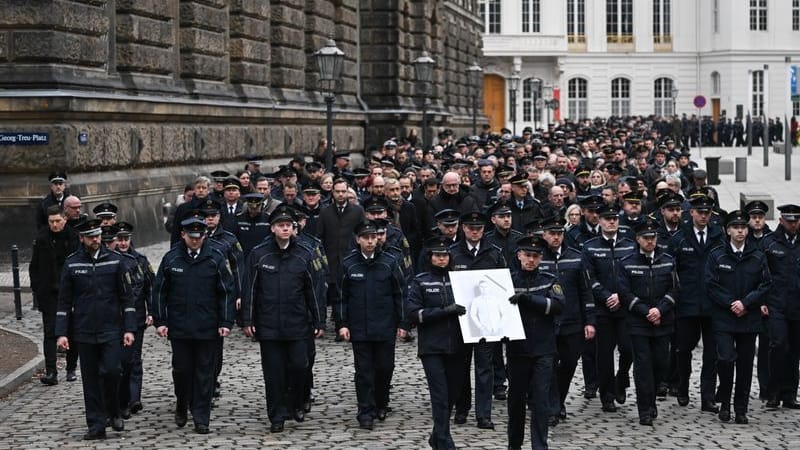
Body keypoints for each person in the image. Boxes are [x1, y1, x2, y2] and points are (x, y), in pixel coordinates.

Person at [241, 206, 325, 433]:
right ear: (272, 229)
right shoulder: (259, 255)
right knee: (274, 374)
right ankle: (276, 415)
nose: (285, 228)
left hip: (297, 323)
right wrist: (247, 321)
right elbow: (250, 289)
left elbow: (313, 291)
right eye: (281, 225)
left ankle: (296, 401)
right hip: (269, 324)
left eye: (289, 225)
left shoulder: (304, 254)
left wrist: (319, 322)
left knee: (300, 366)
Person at [152, 217, 236, 434]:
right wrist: (160, 321)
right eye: (191, 236)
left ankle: (201, 417)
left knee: (204, 373)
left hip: (207, 326)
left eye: (199, 237)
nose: (195, 240)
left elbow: (226, 291)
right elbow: (159, 291)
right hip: (179, 326)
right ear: (183, 235)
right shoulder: (171, 259)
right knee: (182, 370)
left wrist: (226, 321)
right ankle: (182, 401)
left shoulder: (215, 258)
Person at [55, 218, 136, 440]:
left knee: (112, 371)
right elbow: (64, 301)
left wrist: (129, 329)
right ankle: (96, 424)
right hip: (84, 330)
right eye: (91, 236)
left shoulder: (115, 261)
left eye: (98, 236)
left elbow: (126, 297)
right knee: (90, 380)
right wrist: (61, 333)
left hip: (111, 328)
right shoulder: (72, 263)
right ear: (82, 238)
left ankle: (113, 410)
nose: (96, 240)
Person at [336, 220, 407, 429]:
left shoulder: (390, 262)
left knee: (385, 367)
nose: (370, 241)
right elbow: (341, 296)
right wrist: (342, 323)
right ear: (358, 240)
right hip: (360, 327)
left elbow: (400, 293)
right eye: (366, 237)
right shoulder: (349, 263)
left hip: (385, 325)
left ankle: (381, 402)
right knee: (364, 371)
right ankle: (365, 410)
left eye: (373, 237)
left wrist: (403, 322)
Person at [706, 211, 772, 424]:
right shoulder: (717, 254)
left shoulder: (757, 255)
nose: (740, 230)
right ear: (728, 231)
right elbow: (710, 284)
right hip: (724, 317)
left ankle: (741, 408)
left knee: (744, 364)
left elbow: (765, 284)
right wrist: (730, 303)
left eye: (743, 227)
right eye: (735, 227)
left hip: (748, 317)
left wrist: (746, 302)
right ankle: (724, 402)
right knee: (725, 359)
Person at [406, 236, 468, 450]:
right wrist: (443, 312)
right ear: (430, 257)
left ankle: (437, 434)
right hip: (432, 346)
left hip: (458, 345)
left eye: (445, 255)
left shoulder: (459, 279)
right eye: (438, 255)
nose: (442, 259)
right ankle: (444, 439)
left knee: (452, 393)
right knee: (439, 393)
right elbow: (414, 313)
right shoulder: (421, 281)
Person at [618, 219, 679, 426]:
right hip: (638, 323)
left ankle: (652, 399)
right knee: (643, 366)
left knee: (661, 363)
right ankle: (645, 408)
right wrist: (646, 312)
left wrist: (660, 309)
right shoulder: (627, 262)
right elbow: (625, 293)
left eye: (653, 238)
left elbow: (674, 289)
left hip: (663, 321)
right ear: (638, 239)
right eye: (646, 238)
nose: (650, 241)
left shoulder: (668, 260)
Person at [668, 194, 725, 413]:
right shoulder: (680, 238)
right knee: (683, 350)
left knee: (713, 353)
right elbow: (671, 271)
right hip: (687, 303)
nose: (703, 216)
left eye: (707, 213)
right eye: (699, 212)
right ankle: (682, 385)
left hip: (712, 305)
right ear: (690, 213)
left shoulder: (718, 236)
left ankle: (707, 397)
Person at [450, 211, 507, 430]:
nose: (475, 232)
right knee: (460, 367)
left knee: (485, 368)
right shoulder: (453, 253)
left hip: (486, 322)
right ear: (463, 228)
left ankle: (484, 414)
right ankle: (462, 408)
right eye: (471, 228)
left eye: (479, 228)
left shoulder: (494, 253)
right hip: (461, 320)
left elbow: (503, 284)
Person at [507, 235, 564, 450]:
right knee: (516, 401)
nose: (531, 260)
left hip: (543, 348)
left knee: (541, 401)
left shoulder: (549, 279)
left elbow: (558, 305)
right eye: (527, 255)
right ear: (519, 255)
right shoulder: (509, 280)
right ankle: (514, 444)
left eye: (535, 256)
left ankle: (539, 445)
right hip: (517, 349)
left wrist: (530, 299)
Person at [539, 216, 595, 426]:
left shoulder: (576, 257)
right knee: (550, 365)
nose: (556, 237)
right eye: (552, 234)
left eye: (559, 234)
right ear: (544, 235)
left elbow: (585, 291)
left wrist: (590, 321)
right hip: (547, 322)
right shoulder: (539, 257)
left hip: (572, 321)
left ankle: (559, 399)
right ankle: (553, 407)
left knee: (569, 363)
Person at [581, 204, 636, 412]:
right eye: (607, 218)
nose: (611, 221)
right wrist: (606, 297)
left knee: (628, 350)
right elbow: (589, 278)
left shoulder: (629, 245)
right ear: (600, 221)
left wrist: (621, 297)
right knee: (604, 355)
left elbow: (632, 275)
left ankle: (621, 379)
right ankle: (607, 395)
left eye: (614, 218)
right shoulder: (591, 246)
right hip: (602, 310)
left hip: (625, 308)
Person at [29, 205, 79, 385]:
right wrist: (38, 289)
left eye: (58, 221)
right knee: (50, 332)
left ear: (64, 220)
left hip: (70, 293)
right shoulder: (42, 238)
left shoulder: (73, 238)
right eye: (52, 222)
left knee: (72, 331)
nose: (55, 225)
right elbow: (34, 266)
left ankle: (71, 368)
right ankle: (51, 371)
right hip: (49, 293)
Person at [114, 222, 154, 418]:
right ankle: (120, 399)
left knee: (134, 359)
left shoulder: (140, 260)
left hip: (137, 317)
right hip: (114, 320)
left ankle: (134, 399)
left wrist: (152, 312)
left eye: (125, 239)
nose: (122, 243)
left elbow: (150, 288)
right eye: (119, 239)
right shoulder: (111, 260)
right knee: (119, 362)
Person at [762, 204, 800, 409]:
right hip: (775, 303)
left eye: (796, 221)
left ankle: (790, 393)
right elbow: (761, 273)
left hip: (797, 304)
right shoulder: (769, 243)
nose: (793, 225)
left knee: (795, 351)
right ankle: (773, 392)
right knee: (778, 346)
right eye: (789, 221)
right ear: (781, 220)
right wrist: (762, 301)